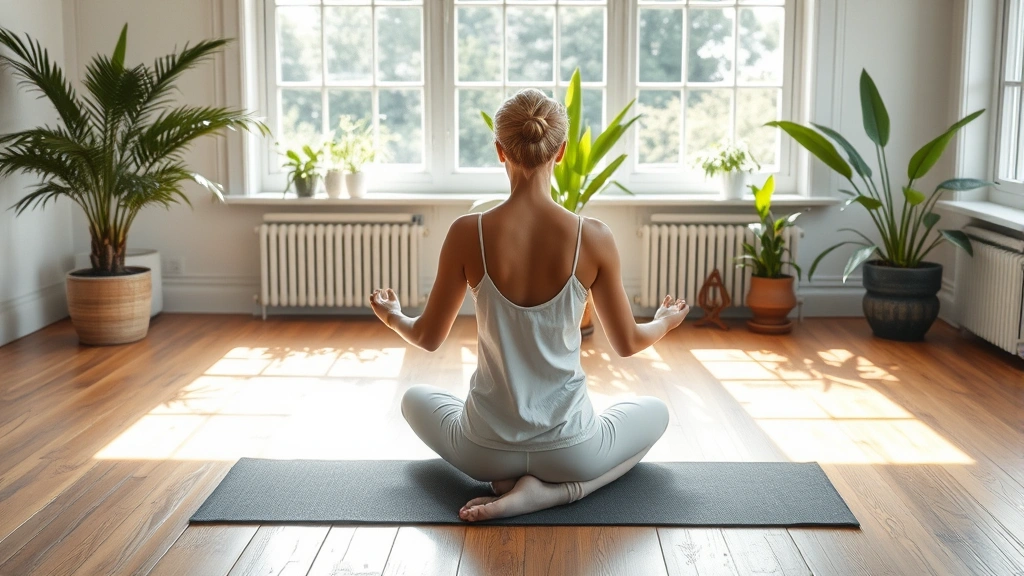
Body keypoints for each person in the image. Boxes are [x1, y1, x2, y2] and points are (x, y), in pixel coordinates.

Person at [369, 89, 689, 522]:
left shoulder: (468, 232)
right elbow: (629, 343)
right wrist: (665, 322)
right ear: (561, 152)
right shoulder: (592, 237)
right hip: (571, 451)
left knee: (413, 398)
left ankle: (508, 485)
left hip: (483, 452)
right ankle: (557, 494)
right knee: (655, 414)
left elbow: (426, 337)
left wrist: (393, 317)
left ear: (500, 150)